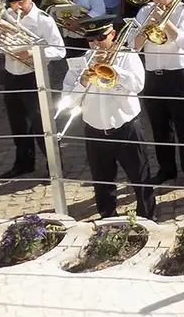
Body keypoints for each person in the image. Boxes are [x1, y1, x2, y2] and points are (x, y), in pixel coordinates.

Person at [62, 16, 156, 219]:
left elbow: (138, 85)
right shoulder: (80, 63)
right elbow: (68, 101)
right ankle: (108, 218)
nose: (95, 44)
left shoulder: (127, 56)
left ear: (112, 34)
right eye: (91, 40)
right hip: (94, 129)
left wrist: (115, 70)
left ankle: (147, 217)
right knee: (102, 180)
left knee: (140, 176)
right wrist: (83, 82)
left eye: (100, 38)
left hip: (126, 127)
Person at [132, 0, 184, 189]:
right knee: (159, 126)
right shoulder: (144, 12)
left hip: (179, 75)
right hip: (153, 76)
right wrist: (147, 27)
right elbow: (134, 45)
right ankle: (166, 169)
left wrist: (166, 21)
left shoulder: (183, 12)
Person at [0, 0, 66, 179]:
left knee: (42, 124)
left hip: (34, 76)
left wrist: (32, 52)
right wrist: (3, 41)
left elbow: (59, 50)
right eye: (14, 2)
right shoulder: (6, 16)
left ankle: (55, 167)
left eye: (22, 0)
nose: (18, 6)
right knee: (18, 123)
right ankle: (24, 163)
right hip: (12, 74)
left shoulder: (43, 20)